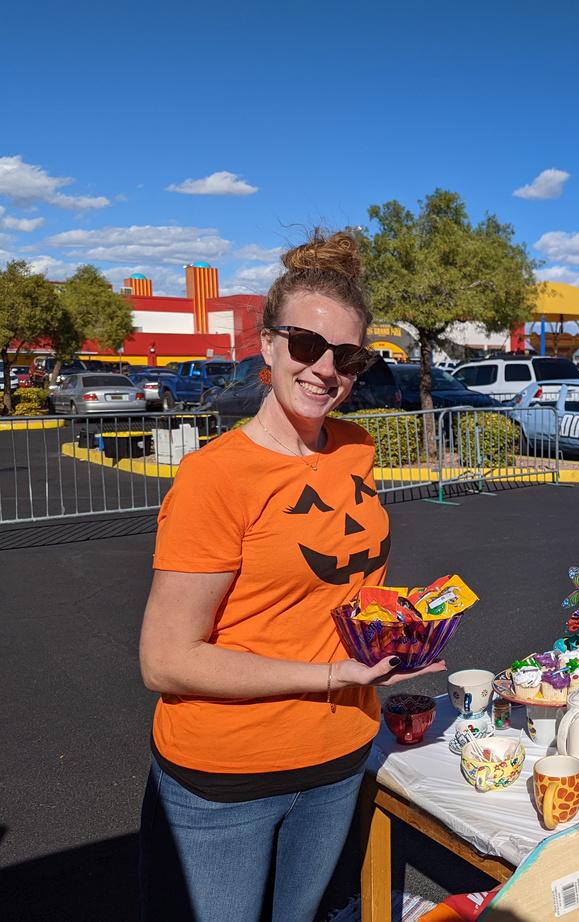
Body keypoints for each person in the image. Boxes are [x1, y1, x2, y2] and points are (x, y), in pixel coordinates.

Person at [137, 232, 446, 921]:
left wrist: (398, 630)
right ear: (269, 345)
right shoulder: (216, 477)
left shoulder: (355, 448)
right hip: (227, 780)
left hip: (339, 758)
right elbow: (165, 660)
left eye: (348, 357)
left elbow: (343, 582)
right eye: (306, 344)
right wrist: (332, 675)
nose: (325, 369)